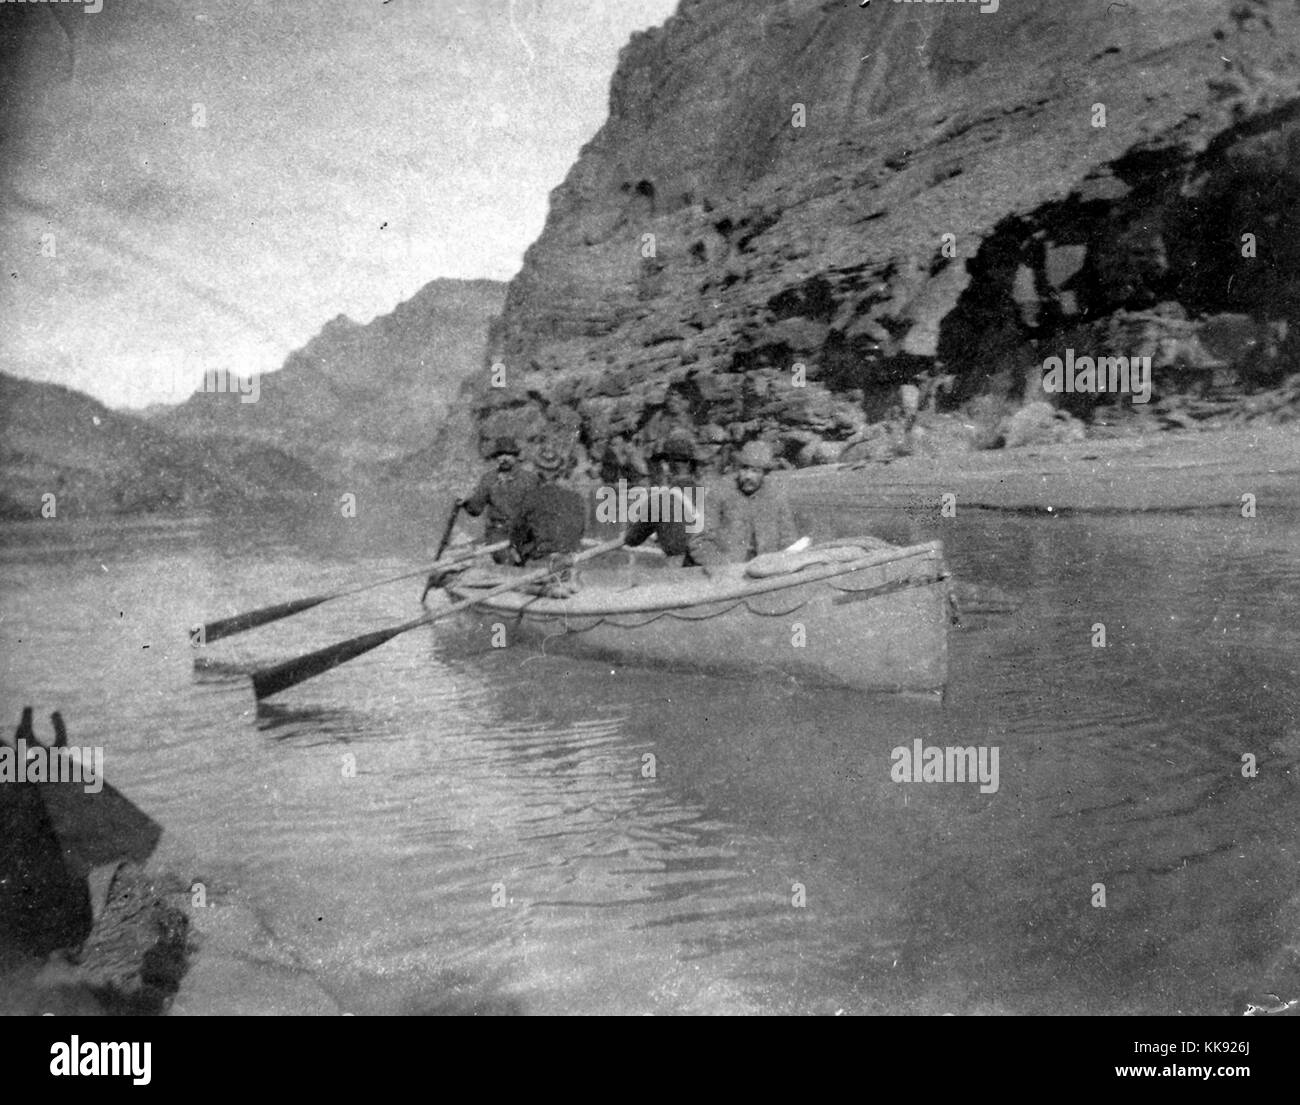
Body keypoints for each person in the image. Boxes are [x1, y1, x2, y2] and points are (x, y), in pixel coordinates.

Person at [687, 440, 799, 568]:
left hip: (767, 570)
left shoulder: (775, 495)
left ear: (765, 473)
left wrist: (779, 564)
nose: (748, 476)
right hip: (727, 570)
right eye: (744, 468)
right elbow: (699, 541)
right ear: (737, 468)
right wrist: (722, 567)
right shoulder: (719, 492)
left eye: (755, 471)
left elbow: (788, 539)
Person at [623, 431, 702, 566]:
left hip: (679, 570)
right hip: (708, 567)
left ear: (665, 466)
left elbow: (633, 539)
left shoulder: (659, 500)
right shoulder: (709, 493)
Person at [460, 436, 538, 565]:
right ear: (496, 457)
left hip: (524, 533)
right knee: (507, 562)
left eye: (508, 454)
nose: (504, 458)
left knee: (531, 563)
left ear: (516, 456)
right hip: (498, 533)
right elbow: (476, 508)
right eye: (500, 455)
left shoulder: (529, 480)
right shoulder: (489, 479)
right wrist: (465, 502)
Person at [511, 444, 586, 567]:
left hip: (542, 561)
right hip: (570, 559)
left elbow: (517, 534)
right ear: (560, 472)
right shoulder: (576, 498)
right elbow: (580, 530)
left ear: (537, 472)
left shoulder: (530, 498)